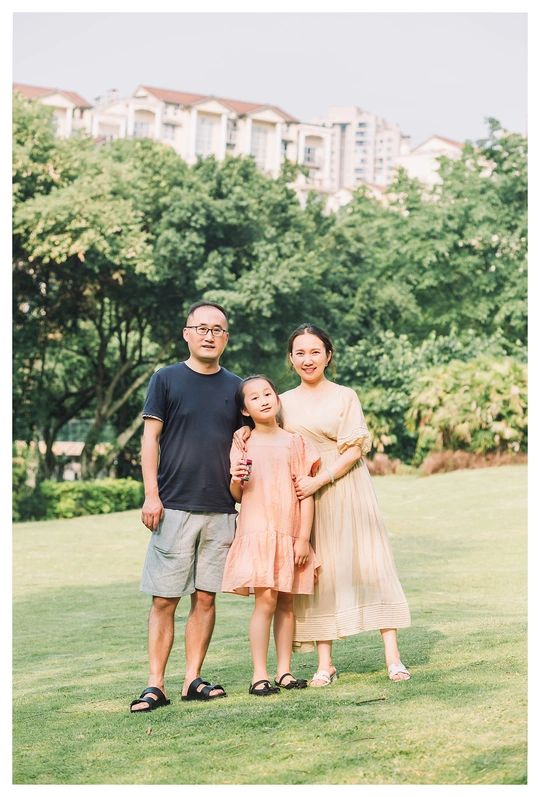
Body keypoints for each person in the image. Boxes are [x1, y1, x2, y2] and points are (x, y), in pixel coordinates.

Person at [235, 324, 411, 687]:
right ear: (290, 358)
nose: (308, 359)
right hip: (306, 498)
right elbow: (267, 432)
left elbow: (354, 449)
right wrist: (245, 433)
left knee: (372, 562)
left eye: (315, 352)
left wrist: (322, 478)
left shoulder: (345, 396)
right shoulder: (282, 401)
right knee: (321, 573)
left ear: (328, 356)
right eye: (299, 353)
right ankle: (324, 663)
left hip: (346, 486)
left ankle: (393, 657)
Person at [130, 301, 242, 713]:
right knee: (164, 599)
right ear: (187, 334)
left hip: (221, 509)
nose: (209, 336)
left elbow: (247, 444)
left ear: (226, 338)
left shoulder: (238, 387)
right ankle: (155, 684)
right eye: (202, 328)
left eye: (218, 330)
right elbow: (150, 439)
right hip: (173, 506)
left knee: (207, 598)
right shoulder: (165, 379)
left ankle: (193, 678)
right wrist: (152, 494)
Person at [222, 375, 321, 696]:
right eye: (254, 397)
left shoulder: (295, 442)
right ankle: (259, 675)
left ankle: (284, 671)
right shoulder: (243, 443)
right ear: (245, 410)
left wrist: (303, 538)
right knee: (265, 601)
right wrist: (235, 479)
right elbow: (237, 494)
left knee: (287, 602)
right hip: (258, 531)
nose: (264, 400)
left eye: (268, 393)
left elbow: (306, 492)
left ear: (277, 399)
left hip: (289, 531)